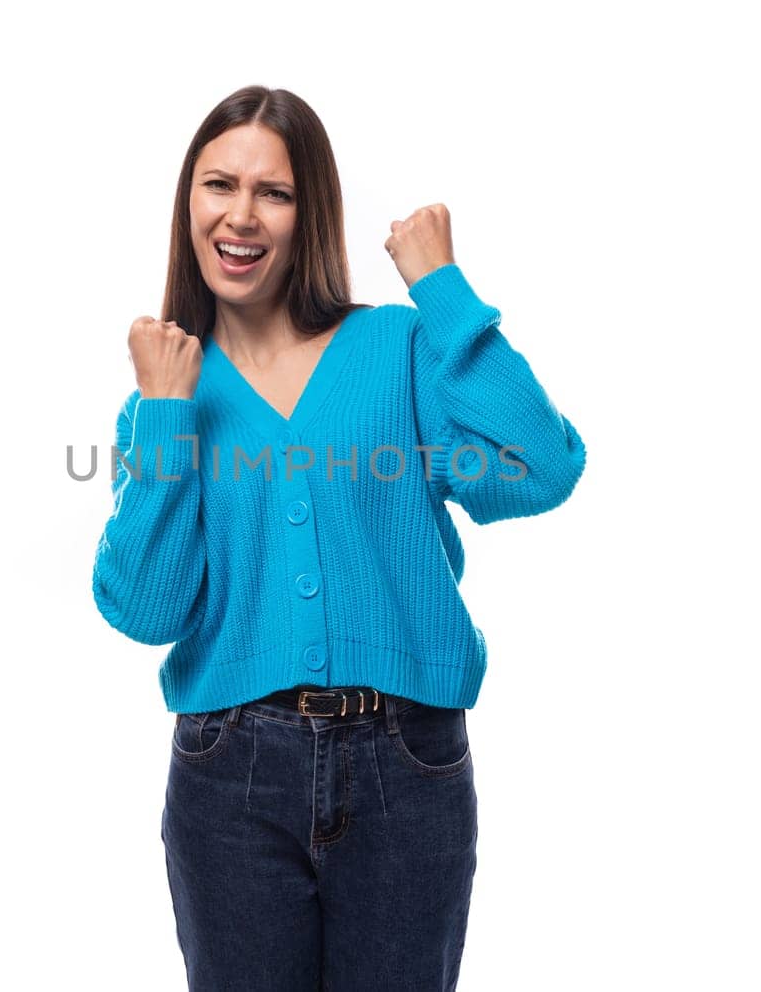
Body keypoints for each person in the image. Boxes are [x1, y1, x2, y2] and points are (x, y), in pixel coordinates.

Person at [90, 85, 587, 991]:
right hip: (228, 776)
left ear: (308, 210)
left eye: (273, 192)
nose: (241, 215)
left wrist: (441, 288)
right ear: (187, 204)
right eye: (218, 185)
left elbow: (541, 465)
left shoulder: (397, 349)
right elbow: (143, 608)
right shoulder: (167, 394)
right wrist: (164, 413)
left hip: (408, 764)